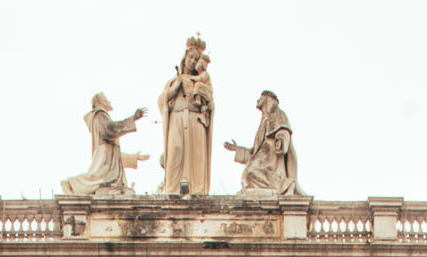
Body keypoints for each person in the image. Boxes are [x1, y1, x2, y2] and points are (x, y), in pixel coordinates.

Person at [60, 94, 147, 198]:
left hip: (107, 154)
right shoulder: (100, 115)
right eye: (106, 98)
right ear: (100, 101)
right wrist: (132, 118)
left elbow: (116, 154)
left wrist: (134, 157)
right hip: (105, 155)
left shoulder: (100, 116)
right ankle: (72, 184)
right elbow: (109, 130)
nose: (109, 100)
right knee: (98, 178)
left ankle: (73, 185)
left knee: (101, 178)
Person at [158, 37, 214, 195]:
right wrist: (174, 88)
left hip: (196, 120)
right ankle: (172, 189)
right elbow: (162, 102)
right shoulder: (173, 80)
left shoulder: (203, 79)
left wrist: (203, 95)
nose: (193, 61)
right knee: (175, 148)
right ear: (185, 58)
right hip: (176, 118)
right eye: (191, 57)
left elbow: (211, 104)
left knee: (197, 155)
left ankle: (196, 190)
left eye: (196, 59)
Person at [225, 90, 302, 198]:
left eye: (260, 98)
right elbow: (254, 152)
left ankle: (283, 185)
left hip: (271, 157)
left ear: (268, 99)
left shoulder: (278, 114)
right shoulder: (263, 121)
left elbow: (284, 132)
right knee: (249, 174)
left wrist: (280, 140)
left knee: (251, 173)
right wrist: (237, 149)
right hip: (262, 157)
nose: (258, 100)